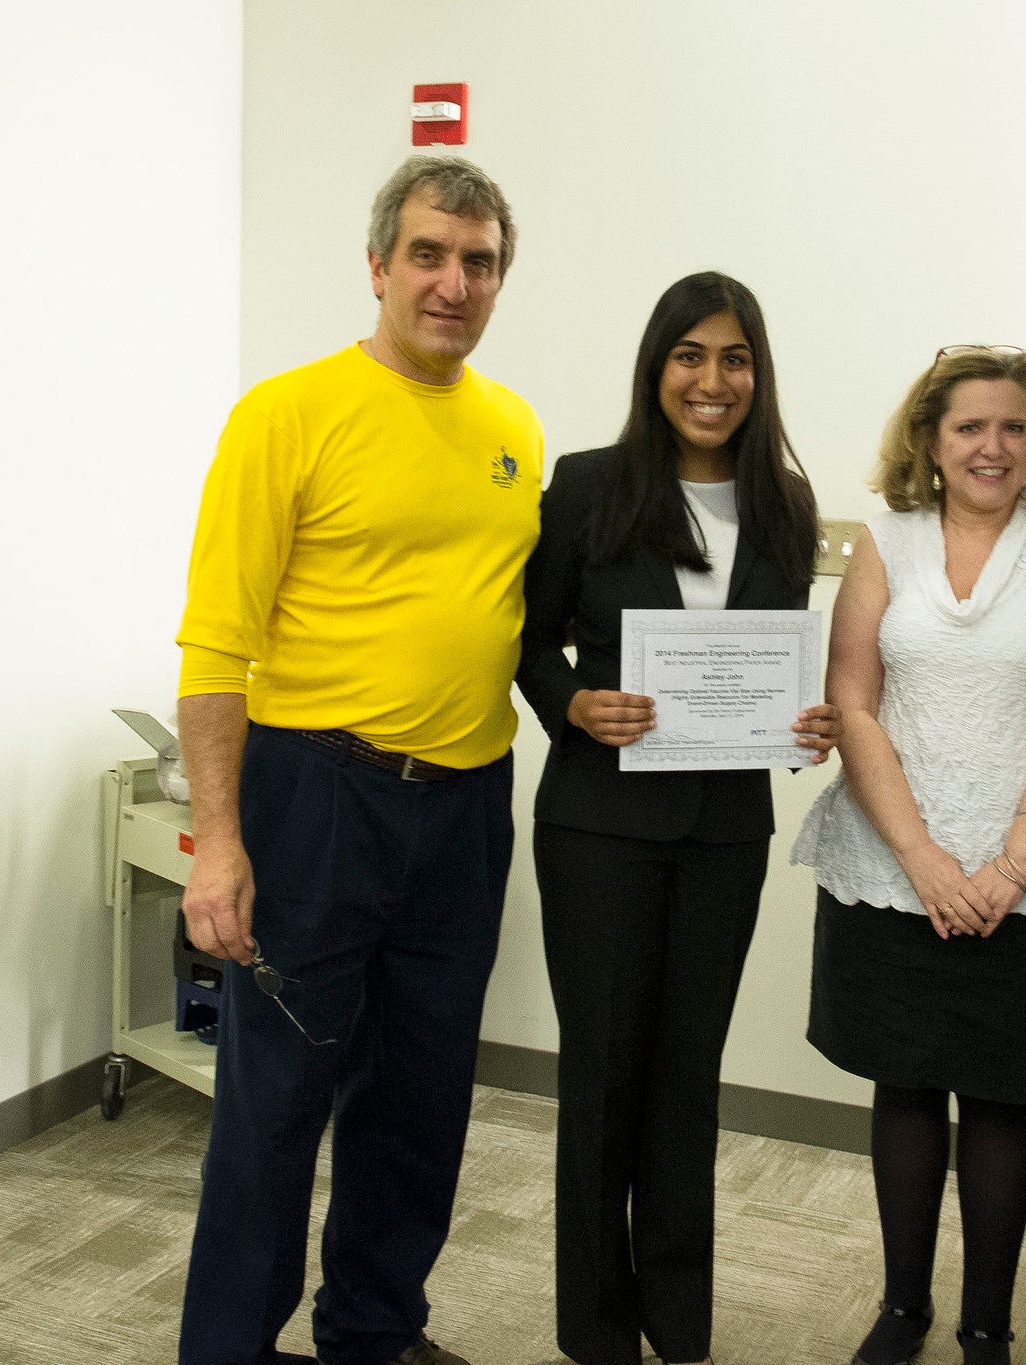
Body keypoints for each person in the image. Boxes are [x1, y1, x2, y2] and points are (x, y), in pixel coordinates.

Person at [172, 155, 541, 1365]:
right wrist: (219, 845)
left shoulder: (511, 427)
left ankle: (375, 1331)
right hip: (315, 797)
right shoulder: (287, 412)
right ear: (377, 264)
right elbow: (216, 648)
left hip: (466, 806)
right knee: (276, 1101)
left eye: (477, 261)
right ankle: (228, 1347)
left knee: (421, 1095)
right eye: (429, 255)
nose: (453, 282)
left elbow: (505, 616)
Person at [516, 271, 839, 1365]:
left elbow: (774, 662)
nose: (711, 380)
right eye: (689, 356)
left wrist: (807, 720)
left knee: (685, 1078)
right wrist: (571, 704)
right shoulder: (589, 485)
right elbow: (529, 641)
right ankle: (598, 1333)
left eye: (733, 358)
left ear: (759, 375)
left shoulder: (787, 507)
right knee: (601, 1076)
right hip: (598, 827)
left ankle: (680, 1320)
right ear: (656, 368)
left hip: (720, 833)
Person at [792, 347, 1026, 1365]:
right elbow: (852, 702)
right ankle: (901, 1307)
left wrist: (1009, 868)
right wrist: (924, 861)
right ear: (930, 442)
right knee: (903, 1084)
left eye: (1012, 428)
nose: (992, 446)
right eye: (970, 427)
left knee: (997, 1095)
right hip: (892, 864)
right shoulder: (885, 541)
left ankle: (986, 1324)